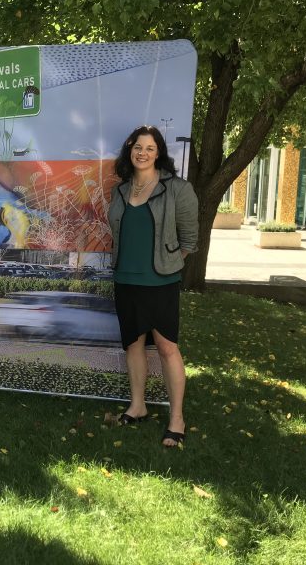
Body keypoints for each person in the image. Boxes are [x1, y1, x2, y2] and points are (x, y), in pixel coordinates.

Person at [107, 125, 198, 447]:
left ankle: (177, 419)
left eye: (148, 148)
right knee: (133, 345)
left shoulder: (177, 189)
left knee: (167, 348)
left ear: (158, 152)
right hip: (126, 279)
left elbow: (189, 239)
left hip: (160, 281)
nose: (142, 153)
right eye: (136, 147)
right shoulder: (120, 191)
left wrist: (169, 264)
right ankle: (138, 406)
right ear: (129, 151)